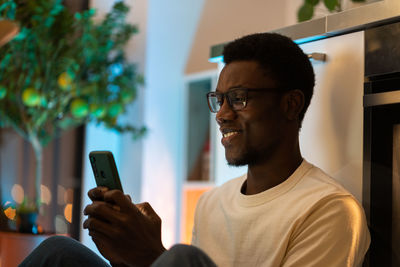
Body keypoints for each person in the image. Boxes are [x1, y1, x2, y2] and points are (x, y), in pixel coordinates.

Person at [20, 32, 370, 267]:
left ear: (291, 105)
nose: (222, 114)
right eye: (219, 100)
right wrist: (128, 257)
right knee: (59, 252)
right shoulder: (212, 203)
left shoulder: (329, 211)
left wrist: (153, 256)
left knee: (181, 259)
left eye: (238, 98)